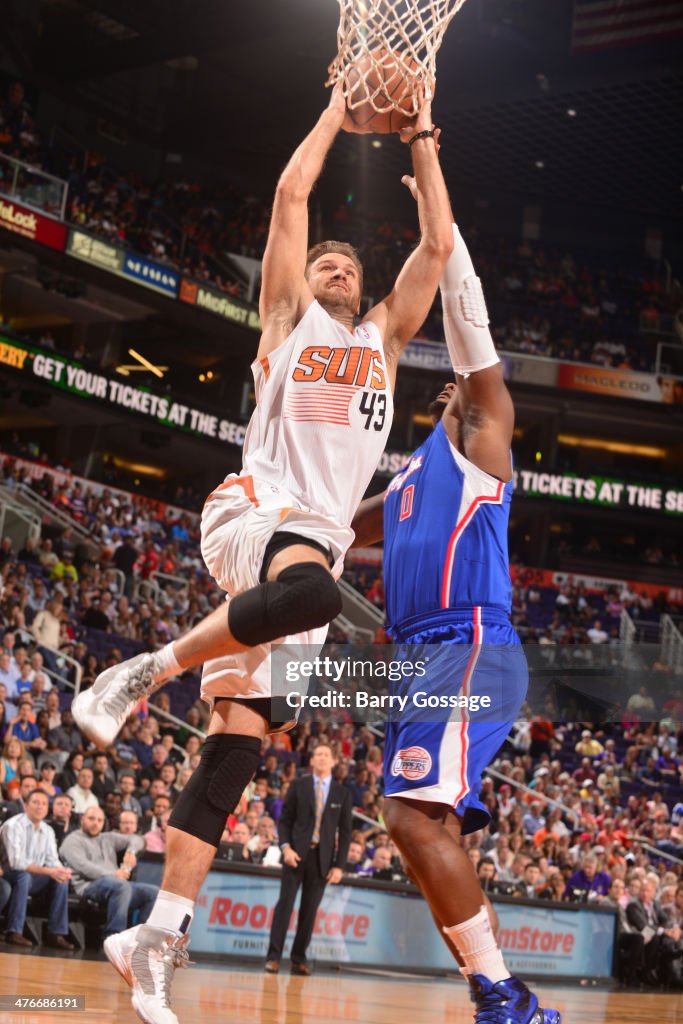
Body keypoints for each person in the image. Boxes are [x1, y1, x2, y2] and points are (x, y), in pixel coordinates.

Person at [74, 84, 453, 1024]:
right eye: (321, 260)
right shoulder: (288, 323)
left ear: (359, 287)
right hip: (253, 509)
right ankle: (140, 671)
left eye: (341, 264)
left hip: (308, 550)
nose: (329, 267)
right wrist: (338, 112)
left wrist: (422, 142)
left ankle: (153, 935)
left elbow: (437, 252)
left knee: (238, 749)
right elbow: (291, 197)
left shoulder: (385, 340)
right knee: (313, 592)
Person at [351, 195, 561, 1023]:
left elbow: (473, 338)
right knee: (422, 829)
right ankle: (502, 997)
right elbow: (336, 528)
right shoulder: (405, 479)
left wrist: (445, 230)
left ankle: (502, 995)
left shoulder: (483, 444)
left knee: (407, 816)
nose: (456, 390)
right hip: (417, 657)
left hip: (465, 639)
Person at [265, 743, 352, 973]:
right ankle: (273, 957)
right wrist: (285, 848)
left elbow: (345, 834)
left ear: (333, 761)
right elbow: (285, 820)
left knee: (309, 911)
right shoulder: (298, 785)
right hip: (295, 855)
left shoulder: (342, 794)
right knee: (284, 906)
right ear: (312, 760)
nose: (322, 758)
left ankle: (298, 959)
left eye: (326, 754)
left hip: (322, 860)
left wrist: (339, 866)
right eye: (318, 754)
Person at [60, 805, 158, 940]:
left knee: (153, 893)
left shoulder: (107, 837)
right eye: (91, 819)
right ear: (82, 819)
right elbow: (84, 867)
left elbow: (138, 839)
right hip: (89, 885)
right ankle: (113, 938)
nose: (96, 823)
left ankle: (139, 940)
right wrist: (114, 874)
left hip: (115, 883)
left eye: (100, 820)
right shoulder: (72, 841)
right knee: (122, 886)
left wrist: (131, 851)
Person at [0, 789, 75, 948]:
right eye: (35, 803)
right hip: (8, 874)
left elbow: (53, 860)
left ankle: (55, 933)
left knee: (60, 879)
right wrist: (50, 871)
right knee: (24, 876)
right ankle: (14, 931)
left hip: (35, 876)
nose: (40, 807)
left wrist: (62, 871)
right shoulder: (13, 825)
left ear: (47, 808)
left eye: (43, 804)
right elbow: (16, 863)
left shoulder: (47, 830)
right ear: (26, 806)